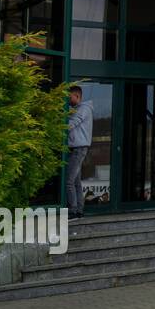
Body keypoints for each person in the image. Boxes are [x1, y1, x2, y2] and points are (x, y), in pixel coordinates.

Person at [66, 85, 93, 219]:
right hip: (77, 148)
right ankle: (79, 210)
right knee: (76, 181)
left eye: (69, 97)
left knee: (68, 180)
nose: (68, 100)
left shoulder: (83, 109)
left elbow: (71, 123)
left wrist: (58, 126)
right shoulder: (78, 109)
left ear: (77, 96)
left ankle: (73, 210)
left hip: (78, 149)